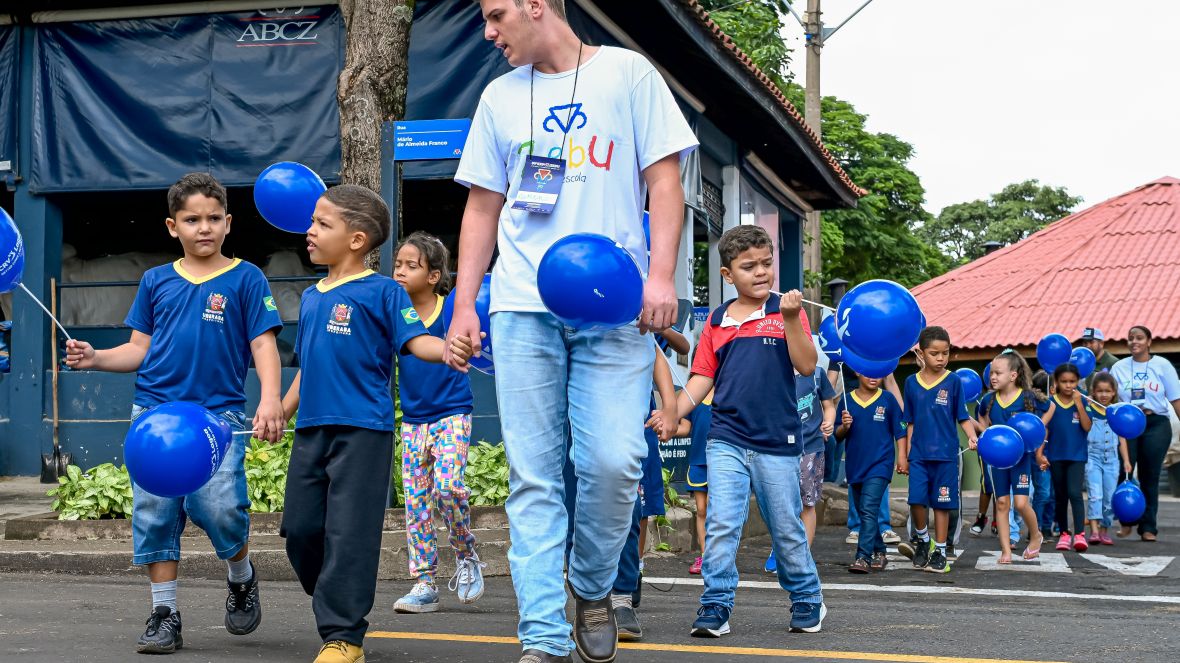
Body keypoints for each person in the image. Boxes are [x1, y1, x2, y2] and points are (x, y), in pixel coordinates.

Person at [448, 2, 698, 661]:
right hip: (523, 304)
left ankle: (590, 584)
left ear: (537, 4)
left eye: (496, 13)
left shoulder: (629, 75)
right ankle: (543, 636)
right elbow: (482, 204)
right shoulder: (499, 97)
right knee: (535, 478)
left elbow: (663, 181)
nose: (488, 31)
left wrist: (662, 275)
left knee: (615, 462)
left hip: (615, 304)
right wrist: (466, 302)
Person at [64, 173, 284, 654]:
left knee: (221, 508)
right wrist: (97, 358)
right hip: (155, 417)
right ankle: (164, 613)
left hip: (218, 418)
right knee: (154, 514)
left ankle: (241, 575)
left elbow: (263, 344)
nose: (203, 228)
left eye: (212, 218)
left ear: (228, 222)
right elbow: (137, 349)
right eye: (191, 219)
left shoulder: (247, 278)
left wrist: (270, 397)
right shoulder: (155, 281)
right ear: (172, 226)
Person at [278, 185, 473, 663]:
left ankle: (344, 636)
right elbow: (307, 366)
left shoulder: (385, 292)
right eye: (313, 222)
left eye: (323, 224)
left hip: (365, 429)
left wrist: (447, 348)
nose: (310, 231)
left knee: (350, 533)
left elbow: (415, 341)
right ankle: (334, 590)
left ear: (357, 239)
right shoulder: (309, 297)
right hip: (311, 429)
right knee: (300, 530)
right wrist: (279, 410)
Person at [670, 224, 825, 639]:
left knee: (785, 525)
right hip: (726, 437)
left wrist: (792, 318)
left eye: (767, 263)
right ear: (727, 275)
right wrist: (674, 413)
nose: (761, 272)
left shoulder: (787, 312)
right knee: (721, 522)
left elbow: (807, 365)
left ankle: (807, 596)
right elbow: (702, 377)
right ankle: (715, 604)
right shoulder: (717, 321)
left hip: (778, 440)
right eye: (748, 266)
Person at [389, 232, 485, 615]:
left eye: (411, 266)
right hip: (413, 421)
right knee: (416, 505)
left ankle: (466, 554)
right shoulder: (395, 315)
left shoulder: (452, 311)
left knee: (447, 487)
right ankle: (424, 582)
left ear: (433, 276)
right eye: (397, 264)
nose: (400, 271)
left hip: (453, 414)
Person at [896, 326, 978, 574]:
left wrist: (972, 436)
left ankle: (940, 551)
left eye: (945, 353)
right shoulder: (911, 383)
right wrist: (906, 455)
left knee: (943, 505)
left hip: (946, 456)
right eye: (934, 353)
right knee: (917, 501)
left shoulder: (953, 381)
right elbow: (908, 422)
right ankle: (922, 539)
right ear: (921, 353)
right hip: (919, 455)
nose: (941, 358)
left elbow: (962, 416)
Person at [1109, 325, 1180, 541]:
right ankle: (1126, 520)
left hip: (1156, 423)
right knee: (1124, 472)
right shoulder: (1119, 368)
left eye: (1139, 338)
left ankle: (1148, 527)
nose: (1134, 342)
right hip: (1127, 425)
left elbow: (1175, 400)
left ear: (1149, 341)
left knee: (1150, 476)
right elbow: (1111, 401)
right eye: (1131, 338)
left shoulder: (1163, 365)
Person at [976, 351, 1046, 564]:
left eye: (998, 373)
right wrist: (980, 436)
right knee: (1002, 504)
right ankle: (1006, 551)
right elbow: (982, 422)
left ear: (1013, 375)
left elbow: (1049, 408)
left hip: (1021, 459)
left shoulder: (1027, 397)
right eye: (991, 373)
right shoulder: (988, 400)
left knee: (1022, 503)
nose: (993, 377)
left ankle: (1036, 535)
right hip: (997, 462)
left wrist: (1037, 434)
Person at [764, 366, 835, 573]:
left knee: (807, 503)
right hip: (779, 448)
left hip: (811, 447)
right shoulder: (772, 371)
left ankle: (803, 556)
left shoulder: (817, 374)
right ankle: (779, 549)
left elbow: (828, 405)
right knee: (780, 503)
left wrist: (829, 422)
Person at [835, 372, 905, 573]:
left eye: (878, 373)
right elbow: (838, 436)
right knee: (866, 512)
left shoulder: (888, 399)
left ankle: (863, 557)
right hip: (855, 466)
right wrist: (845, 426)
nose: (874, 377)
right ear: (856, 372)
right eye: (868, 372)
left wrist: (902, 457)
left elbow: (900, 432)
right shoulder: (847, 400)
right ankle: (880, 552)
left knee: (868, 507)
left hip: (880, 465)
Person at [1036, 363, 1092, 553]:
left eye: (1072, 381)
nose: (1068, 385)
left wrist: (1079, 404)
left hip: (1077, 456)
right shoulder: (1050, 403)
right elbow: (1045, 429)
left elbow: (1087, 426)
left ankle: (1079, 535)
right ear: (1057, 383)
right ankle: (1064, 534)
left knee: (1075, 493)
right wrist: (1040, 453)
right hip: (1056, 456)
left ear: (1078, 382)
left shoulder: (1082, 401)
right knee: (1060, 496)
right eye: (1064, 381)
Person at [1083, 372, 1132, 545]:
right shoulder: (1089, 408)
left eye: (1107, 391)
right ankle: (1094, 530)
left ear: (1114, 393)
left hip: (1112, 459)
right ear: (1094, 392)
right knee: (1095, 494)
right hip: (1092, 458)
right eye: (1100, 391)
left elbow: (1122, 438)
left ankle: (1105, 529)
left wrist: (1126, 460)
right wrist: (1086, 404)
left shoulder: (1116, 412)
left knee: (1109, 497)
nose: (1103, 395)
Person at [681, 390, 714, 575]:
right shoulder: (693, 397)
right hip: (697, 460)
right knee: (701, 510)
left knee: (714, 508)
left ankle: (717, 556)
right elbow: (685, 428)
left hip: (719, 461)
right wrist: (663, 427)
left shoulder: (726, 392)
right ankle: (704, 555)